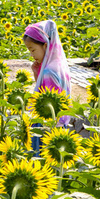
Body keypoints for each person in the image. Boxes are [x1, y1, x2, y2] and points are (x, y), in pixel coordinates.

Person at [23, 20, 71, 154]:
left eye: (33, 50)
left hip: (47, 127)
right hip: (61, 127)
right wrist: (36, 73)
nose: (32, 55)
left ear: (45, 45)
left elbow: (46, 101)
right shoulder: (59, 64)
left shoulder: (49, 72)